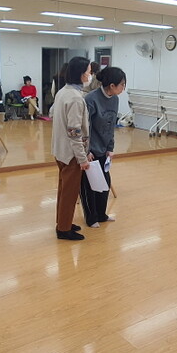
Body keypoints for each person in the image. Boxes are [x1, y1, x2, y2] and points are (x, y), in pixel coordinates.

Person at [51, 56, 93, 240]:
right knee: (69, 193)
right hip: (71, 154)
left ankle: (63, 222)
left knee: (64, 190)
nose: (90, 75)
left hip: (60, 150)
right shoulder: (75, 98)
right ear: (81, 74)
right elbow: (74, 131)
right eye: (89, 71)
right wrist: (82, 158)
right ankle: (63, 229)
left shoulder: (63, 92)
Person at [80, 67, 126, 227]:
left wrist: (110, 148)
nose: (123, 88)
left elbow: (111, 125)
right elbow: (85, 128)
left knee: (104, 183)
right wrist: (86, 151)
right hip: (91, 150)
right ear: (112, 85)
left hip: (104, 149)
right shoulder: (91, 99)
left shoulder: (115, 99)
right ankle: (91, 218)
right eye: (122, 84)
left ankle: (101, 214)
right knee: (90, 186)